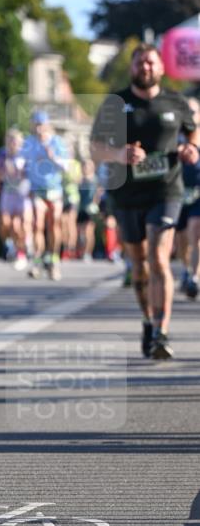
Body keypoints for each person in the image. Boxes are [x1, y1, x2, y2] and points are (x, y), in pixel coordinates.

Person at [90, 43, 199, 359]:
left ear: (161, 68)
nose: (145, 68)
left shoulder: (176, 102)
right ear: (132, 68)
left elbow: (193, 133)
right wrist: (118, 154)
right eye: (140, 63)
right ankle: (148, 321)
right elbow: (95, 148)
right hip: (126, 194)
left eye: (151, 62)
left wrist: (192, 149)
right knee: (139, 266)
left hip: (166, 190)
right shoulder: (116, 103)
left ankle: (161, 331)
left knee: (159, 258)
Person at [23, 111, 69, 281]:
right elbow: (24, 164)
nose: (38, 129)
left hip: (54, 189)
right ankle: (36, 260)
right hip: (37, 189)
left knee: (54, 225)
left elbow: (66, 167)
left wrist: (53, 157)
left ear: (47, 126)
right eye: (35, 125)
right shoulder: (29, 143)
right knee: (38, 225)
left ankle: (54, 258)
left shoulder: (57, 142)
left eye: (41, 125)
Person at [0, 127, 32, 271]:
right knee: (4, 222)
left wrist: (17, 172)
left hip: (22, 194)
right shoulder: (2, 155)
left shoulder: (25, 156)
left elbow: (29, 175)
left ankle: (21, 252)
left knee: (18, 225)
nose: (12, 144)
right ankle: (9, 244)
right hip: (7, 193)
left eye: (15, 142)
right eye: (10, 141)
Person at [175, 96, 200, 299]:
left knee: (195, 232)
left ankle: (195, 276)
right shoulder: (175, 136)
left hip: (198, 192)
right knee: (182, 238)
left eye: (193, 112)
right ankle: (185, 269)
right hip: (177, 192)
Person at [76, 158, 100, 261]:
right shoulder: (79, 180)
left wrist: (95, 205)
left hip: (90, 209)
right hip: (80, 209)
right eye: (84, 166)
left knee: (88, 232)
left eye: (88, 166)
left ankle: (88, 253)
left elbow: (98, 194)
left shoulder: (95, 180)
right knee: (80, 232)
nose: (86, 168)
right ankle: (80, 252)